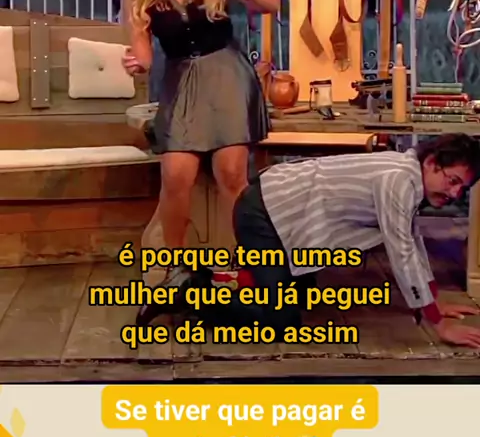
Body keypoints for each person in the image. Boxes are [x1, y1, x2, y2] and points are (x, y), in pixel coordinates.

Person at [138, 133, 480, 349]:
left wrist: (433, 301)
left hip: (285, 218)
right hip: (264, 216)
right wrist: (438, 324)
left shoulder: (410, 177)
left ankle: (210, 279)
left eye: (461, 189)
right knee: (281, 324)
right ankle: (188, 291)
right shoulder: (399, 181)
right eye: (451, 181)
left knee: (301, 296)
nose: (453, 194)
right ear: (431, 163)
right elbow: (401, 251)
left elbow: (412, 240)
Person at [120, 0, 280, 320]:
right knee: (176, 175)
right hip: (182, 81)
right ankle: (172, 271)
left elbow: (271, 4)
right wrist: (135, 63)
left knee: (232, 176)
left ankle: (243, 270)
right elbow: (144, 56)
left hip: (227, 75)